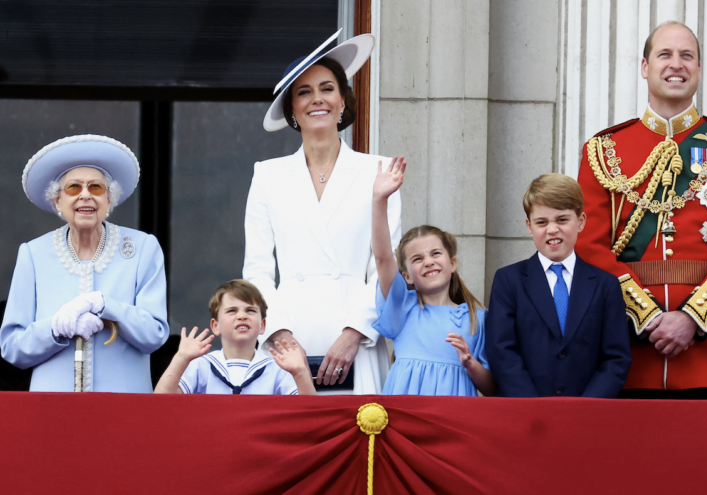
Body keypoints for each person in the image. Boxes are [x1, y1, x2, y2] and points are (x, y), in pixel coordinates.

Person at [576, 21, 707, 399]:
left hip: (705, 353)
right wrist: (645, 318)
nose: (676, 64)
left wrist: (692, 319)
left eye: (687, 56)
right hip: (625, 352)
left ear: (698, 68)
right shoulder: (602, 150)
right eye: (664, 54)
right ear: (645, 67)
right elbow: (588, 245)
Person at [244, 30, 402, 394]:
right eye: (304, 92)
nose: (317, 99)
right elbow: (257, 269)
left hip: (356, 340)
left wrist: (353, 335)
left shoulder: (379, 171)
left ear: (343, 101)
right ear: (293, 110)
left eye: (327, 88)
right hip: (288, 339)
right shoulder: (267, 175)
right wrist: (279, 333)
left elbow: (383, 267)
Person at [0, 135, 169, 392]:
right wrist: (55, 329)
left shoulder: (143, 248)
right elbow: (12, 348)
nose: (86, 196)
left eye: (97, 188)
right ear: (57, 200)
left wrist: (105, 306)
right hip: (52, 407)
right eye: (73, 188)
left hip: (124, 406)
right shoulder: (33, 254)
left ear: (109, 199)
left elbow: (154, 334)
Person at [485, 174, 631, 398]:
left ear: (580, 221)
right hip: (526, 413)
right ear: (529, 226)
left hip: (586, 414)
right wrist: (533, 407)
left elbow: (616, 357)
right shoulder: (509, 280)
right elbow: (501, 350)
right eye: (542, 222)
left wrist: (585, 407)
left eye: (562, 220)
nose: (552, 229)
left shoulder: (605, 285)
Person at [371, 159, 495, 396]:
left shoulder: (476, 318)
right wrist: (379, 201)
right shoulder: (402, 308)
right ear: (406, 276)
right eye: (417, 259)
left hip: (452, 419)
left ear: (452, 264)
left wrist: (470, 363)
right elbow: (383, 258)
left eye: (436, 253)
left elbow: (492, 388)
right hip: (405, 416)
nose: (428, 261)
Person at [154, 279, 315, 395]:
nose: (242, 316)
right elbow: (161, 401)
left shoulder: (277, 368)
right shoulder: (201, 366)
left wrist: (300, 372)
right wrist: (181, 358)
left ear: (263, 326)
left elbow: (310, 413)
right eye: (232, 311)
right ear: (215, 326)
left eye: (250, 310)